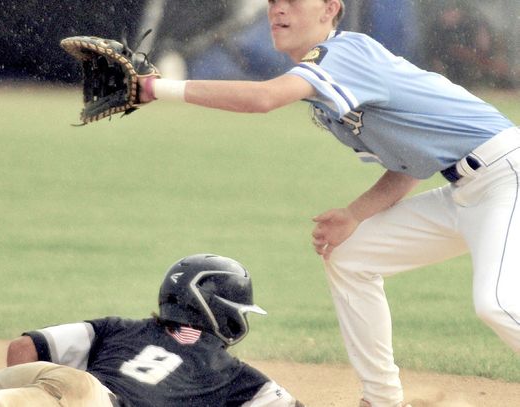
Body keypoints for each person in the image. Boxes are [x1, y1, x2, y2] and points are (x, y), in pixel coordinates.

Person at [136, 1, 520, 406]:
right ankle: (382, 399)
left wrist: (153, 87)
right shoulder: (325, 88)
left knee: (497, 304)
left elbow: (264, 98)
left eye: (293, 2)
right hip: (470, 189)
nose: (278, 10)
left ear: (329, 9)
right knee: (352, 253)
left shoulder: (344, 53)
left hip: (507, 174)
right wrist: (355, 215)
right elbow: (412, 164)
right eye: (273, 2)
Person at [0, 254, 304, 407]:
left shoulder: (119, 327)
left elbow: (22, 348)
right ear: (223, 312)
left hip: (55, 377)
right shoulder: (231, 373)